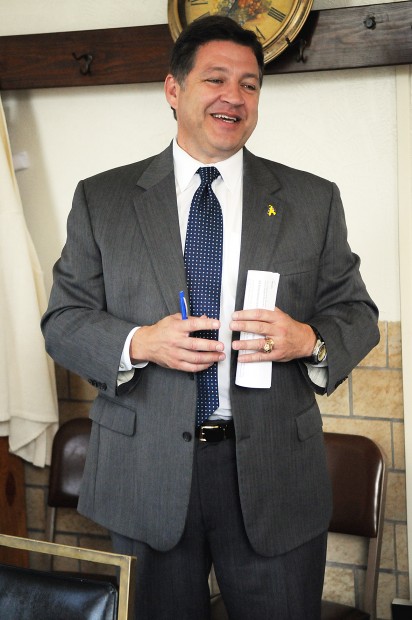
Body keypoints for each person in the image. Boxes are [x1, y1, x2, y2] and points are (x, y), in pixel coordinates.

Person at [41, 15, 379, 620]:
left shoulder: (312, 200)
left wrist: (309, 339)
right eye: (216, 79)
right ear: (173, 90)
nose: (234, 97)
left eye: (250, 84)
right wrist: (139, 343)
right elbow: (63, 320)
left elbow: (357, 313)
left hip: (274, 472)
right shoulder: (102, 200)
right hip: (146, 472)